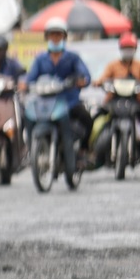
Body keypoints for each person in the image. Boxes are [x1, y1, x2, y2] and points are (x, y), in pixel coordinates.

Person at [22, 17, 93, 173]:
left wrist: (81, 80)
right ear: (47, 37)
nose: (55, 38)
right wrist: (24, 83)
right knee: (26, 115)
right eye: (52, 35)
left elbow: (85, 76)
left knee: (87, 118)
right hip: (44, 102)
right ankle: (28, 149)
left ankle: (83, 151)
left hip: (68, 101)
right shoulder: (41, 59)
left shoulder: (73, 57)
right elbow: (30, 77)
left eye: (58, 35)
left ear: (64, 37)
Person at [96, 32, 140, 146]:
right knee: (96, 117)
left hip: (136, 101)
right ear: (120, 49)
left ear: (135, 49)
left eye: (130, 48)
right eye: (125, 48)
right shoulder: (113, 65)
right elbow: (103, 78)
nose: (128, 51)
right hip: (114, 101)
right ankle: (94, 150)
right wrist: (98, 82)